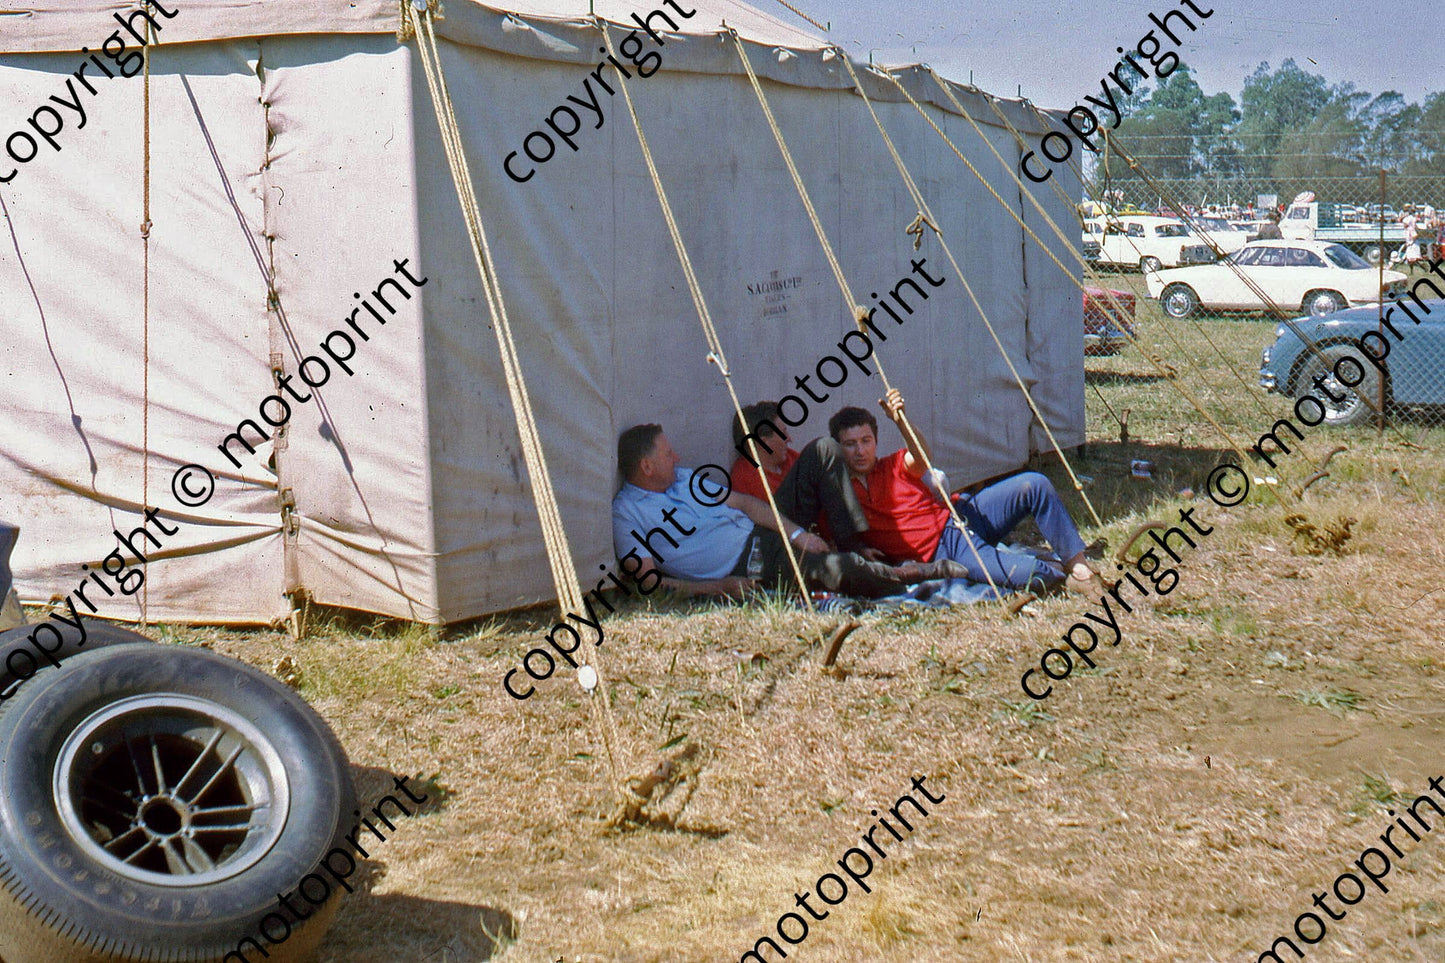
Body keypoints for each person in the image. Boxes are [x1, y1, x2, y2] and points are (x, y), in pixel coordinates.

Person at [611, 423, 968, 599]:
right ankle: (913, 575)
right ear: (646, 467)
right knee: (830, 570)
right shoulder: (629, 515)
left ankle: (856, 545)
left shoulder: (685, 478)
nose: (676, 457)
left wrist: (797, 533)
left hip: (762, 533)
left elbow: (748, 504)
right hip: (744, 564)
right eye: (667, 454)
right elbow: (648, 583)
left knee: (825, 450)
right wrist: (720, 587)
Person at [823, 389, 1103, 594]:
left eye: (866, 441)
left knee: (1034, 484)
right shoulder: (839, 495)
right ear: (838, 447)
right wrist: (859, 549)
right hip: (946, 547)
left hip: (962, 514)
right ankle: (1056, 575)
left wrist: (902, 422)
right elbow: (830, 541)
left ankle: (1077, 565)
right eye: (850, 444)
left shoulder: (892, 466)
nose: (860, 450)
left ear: (875, 441)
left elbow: (920, 456)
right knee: (1028, 574)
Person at [729, 402, 799, 501]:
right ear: (764, 442)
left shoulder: (790, 457)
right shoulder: (746, 481)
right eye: (783, 433)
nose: (789, 439)